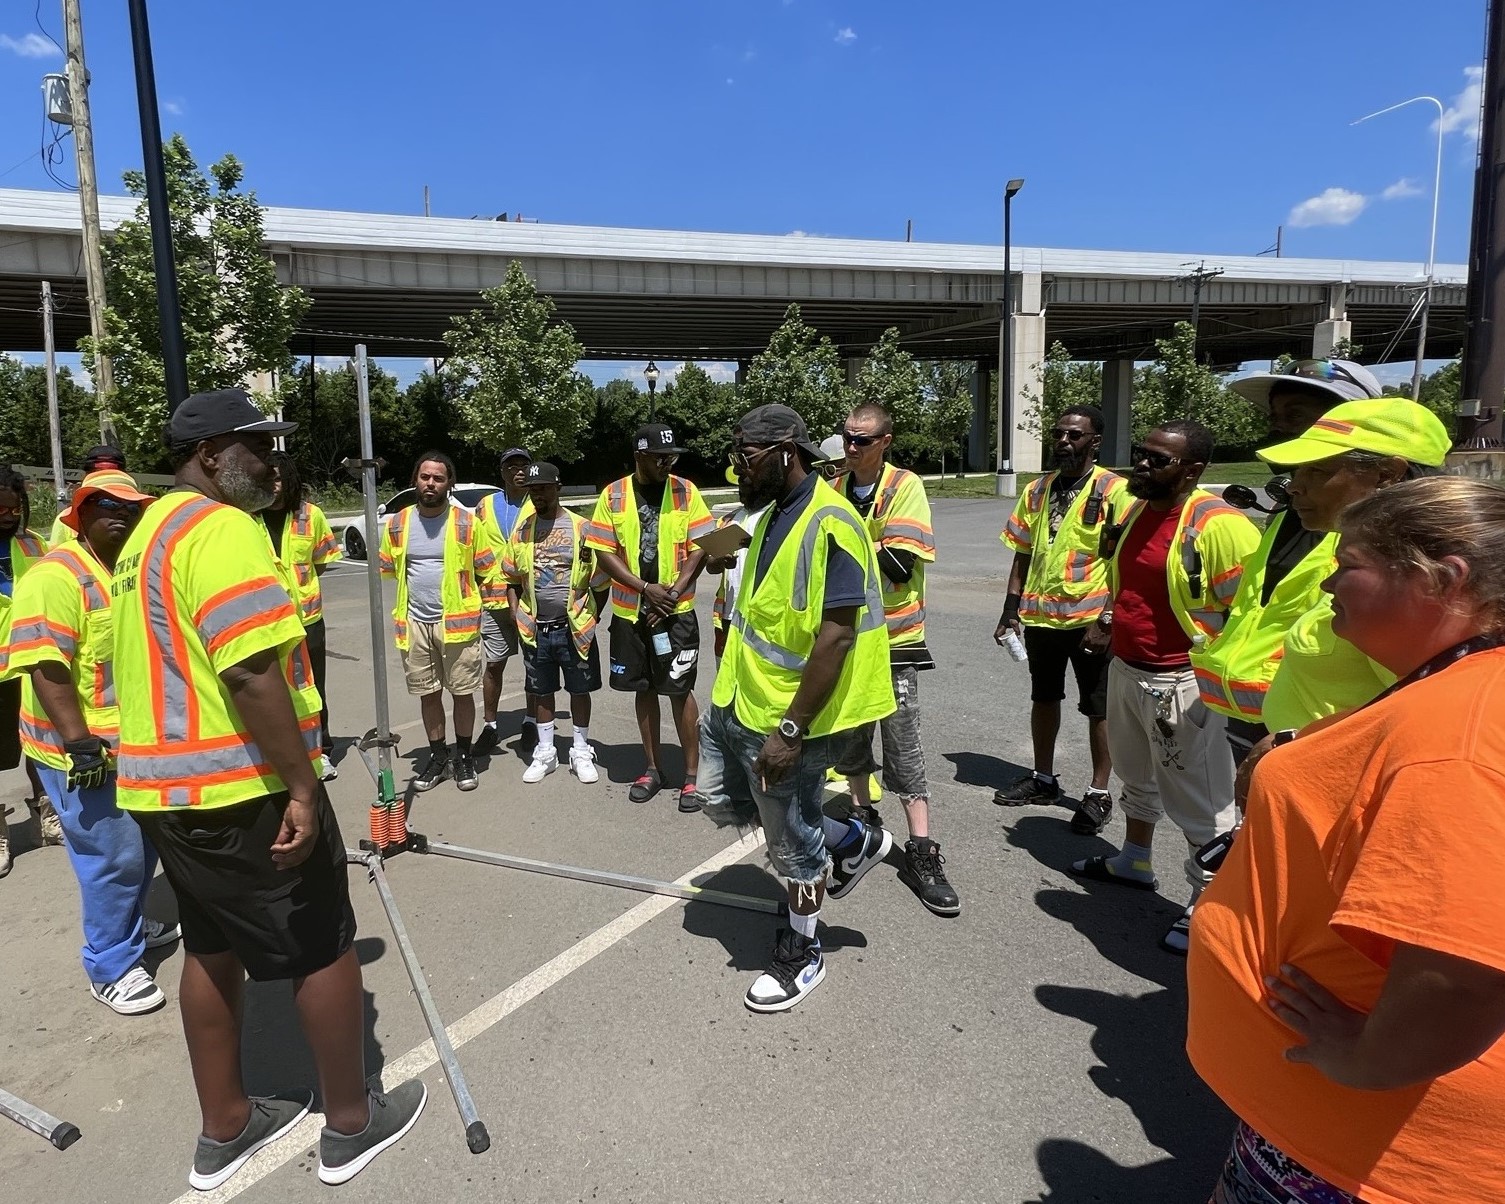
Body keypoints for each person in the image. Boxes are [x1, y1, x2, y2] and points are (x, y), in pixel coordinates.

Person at [112, 389, 424, 1190]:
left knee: (211, 948)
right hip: (239, 788)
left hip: (166, 795)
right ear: (212, 454)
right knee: (322, 946)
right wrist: (301, 788)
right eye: (259, 446)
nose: (275, 461)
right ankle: (351, 1123)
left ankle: (226, 1126)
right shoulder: (220, 530)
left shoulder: (146, 532)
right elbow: (248, 669)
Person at [1188, 477, 1505, 1204]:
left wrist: (1365, 1061)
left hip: (1367, 1150)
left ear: (1439, 577)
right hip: (1336, 1132)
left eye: (1349, 563)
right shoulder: (1458, 684)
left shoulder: (1459, 738)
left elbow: (1465, 971)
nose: (1327, 579)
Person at [700, 403, 896, 1012]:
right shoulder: (766, 513)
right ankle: (852, 841)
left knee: (790, 844)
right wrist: (719, 557)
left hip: (790, 716)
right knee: (721, 799)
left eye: (746, 454)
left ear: (786, 452)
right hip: (739, 698)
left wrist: (790, 730)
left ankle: (803, 953)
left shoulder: (831, 522)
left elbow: (836, 636)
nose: (737, 463)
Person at [1069, 420, 1259, 953]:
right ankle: (1135, 859)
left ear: (1193, 470)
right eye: (1140, 454)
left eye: (1158, 459)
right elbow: (1127, 578)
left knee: (1202, 801)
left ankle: (1208, 903)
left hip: (1182, 679)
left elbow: (1249, 613)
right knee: (1137, 776)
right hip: (1129, 667)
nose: (1142, 466)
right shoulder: (1137, 511)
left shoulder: (1220, 526)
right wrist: (1108, 617)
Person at [0, 468, 180, 1013]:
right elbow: (45, 666)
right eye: (105, 506)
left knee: (142, 846)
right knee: (112, 857)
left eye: (130, 506)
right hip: (80, 752)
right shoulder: (56, 577)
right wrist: (80, 744)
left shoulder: (124, 569)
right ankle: (111, 963)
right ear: (79, 516)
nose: (120, 514)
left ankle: (126, 922)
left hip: (129, 744)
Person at [1194, 359, 1385, 766]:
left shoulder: (1379, 542)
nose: (1278, 429)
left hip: (1323, 745)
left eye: (1295, 416)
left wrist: (1302, 736)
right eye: (1275, 417)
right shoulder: (1288, 514)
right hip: (1255, 717)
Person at [830, 402, 960, 917]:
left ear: (885, 441)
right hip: (845, 637)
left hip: (893, 638)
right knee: (851, 732)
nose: (851, 447)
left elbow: (899, 563)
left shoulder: (903, 486)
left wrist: (841, 545)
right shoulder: (835, 487)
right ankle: (865, 824)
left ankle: (922, 849)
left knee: (902, 741)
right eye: (846, 437)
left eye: (862, 440)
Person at [1255, 398, 1450, 737]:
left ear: (1387, 474)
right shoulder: (1361, 552)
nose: (1293, 486)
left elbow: (1426, 718)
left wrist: (1291, 744)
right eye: (1297, 471)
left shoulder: (1405, 578)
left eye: (1317, 470)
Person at [993, 405, 1126, 834]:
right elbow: (1023, 552)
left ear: (1095, 441)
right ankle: (1043, 779)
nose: (1064, 442)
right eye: (1059, 435)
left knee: (1098, 708)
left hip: (1091, 619)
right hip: (1042, 620)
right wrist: (1010, 609)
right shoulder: (1038, 490)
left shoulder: (1115, 491)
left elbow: (1127, 561)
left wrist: (1108, 619)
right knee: (1044, 697)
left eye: (1075, 435)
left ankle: (1098, 793)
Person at [587, 423, 715, 809]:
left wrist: (671, 594)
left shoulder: (685, 491)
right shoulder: (613, 495)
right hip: (631, 614)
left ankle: (692, 777)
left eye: (671, 457)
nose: (667, 463)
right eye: (660, 457)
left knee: (679, 689)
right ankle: (653, 768)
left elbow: (701, 546)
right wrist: (645, 591)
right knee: (643, 689)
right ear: (639, 456)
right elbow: (603, 551)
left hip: (676, 614)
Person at [378, 451, 503, 793]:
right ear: (414, 480)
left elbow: (489, 571)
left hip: (459, 625)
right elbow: (389, 570)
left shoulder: (466, 523)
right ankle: (438, 757)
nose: (430, 483)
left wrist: (490, 615)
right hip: (415, 624)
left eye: (438, 478)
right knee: (428, 694)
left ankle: (463, 757)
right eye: (425, 477)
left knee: (462, 693)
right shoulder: (397, 524)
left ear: (450, 484)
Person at [504, 462, 605, 784]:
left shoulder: (582, 529)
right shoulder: (522, 531)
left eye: (543, 489)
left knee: (580, 690)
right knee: (542, 691)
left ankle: (579, 749)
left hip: (573, 628)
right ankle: (546, 752)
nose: (538, 495)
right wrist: (514, 611)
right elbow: (511, 579)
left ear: (557, 487)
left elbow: (601, 582)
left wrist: (592, 615)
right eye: (533, 490)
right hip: (536, 629)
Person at [264, 452, 342, 782]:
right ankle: (282, 753)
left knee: (313, 688)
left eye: (279, 477)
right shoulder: (245, 517)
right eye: (268, 477)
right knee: (272, 691)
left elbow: (321, 562)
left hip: (308, 620)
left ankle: (320, 749)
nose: (273, 483)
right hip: (267, 622)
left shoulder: (311, 516)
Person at [0, 465, 59, 875]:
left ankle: (49, 816)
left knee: (40, 746)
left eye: (13, 506)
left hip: (28, 665)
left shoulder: (35, 545)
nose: (7, 514)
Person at [476, 447, 538, 754]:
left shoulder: (538, 502)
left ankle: (530, 721)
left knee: (533, 665)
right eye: (511, 466)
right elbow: (472, 546)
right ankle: (490, 726)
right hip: (493, 598)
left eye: (524, 465)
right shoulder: (485, 505)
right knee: (494, 665)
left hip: (530, 598)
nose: (519, 471)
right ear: (502, 472)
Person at [49, 444, 128, 546]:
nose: (103, 477)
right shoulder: (65, 519)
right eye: (97, 473)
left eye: (111, 473)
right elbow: (56, 556)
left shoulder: (137, 513)